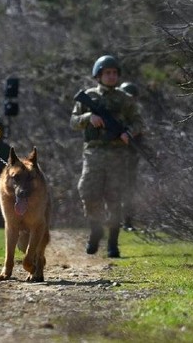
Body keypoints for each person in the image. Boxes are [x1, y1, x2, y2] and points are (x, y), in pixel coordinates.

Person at [70, 55, 143, 258]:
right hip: (93, 152)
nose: (111, 76)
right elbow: (73, 121)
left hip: (118, 154)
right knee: (88, 192)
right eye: (107, 73)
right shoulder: (89, 96)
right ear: (98, 75)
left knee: (114, 198)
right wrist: (88, 117)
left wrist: (129, 133)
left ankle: (113, 242)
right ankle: (95, 229)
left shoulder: (125, 99)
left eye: (114, 73)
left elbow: (138, 122)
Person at [119, 81, 143, 232]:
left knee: (129, 190)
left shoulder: (135, 117)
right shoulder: (116, 115)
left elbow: (139, 136)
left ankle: (127, 221)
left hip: (130, 158)